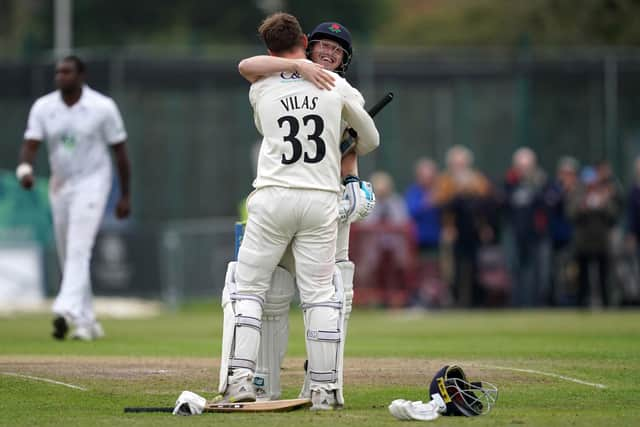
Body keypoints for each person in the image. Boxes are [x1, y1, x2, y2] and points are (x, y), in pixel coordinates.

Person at [217, 12, 379, 410]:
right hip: (320, 201)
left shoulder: (261, 86)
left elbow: (247, 69)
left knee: (248, 289)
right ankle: (324, 390)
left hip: (274, 196)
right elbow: (369, 139)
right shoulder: (339, 86)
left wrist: (351, 172)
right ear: (306, 42)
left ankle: (240, 381)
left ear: (269, 47)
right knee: (321, 296)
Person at [17, 55, 131, 340]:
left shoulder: (102, 107)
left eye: (67, 72)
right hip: (61, 185)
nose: (60, 76)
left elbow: (120, 153)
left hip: (94, 182)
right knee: (69, 253)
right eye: (58, 72)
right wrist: (25, 169)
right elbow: (31, 144)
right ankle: (87, 321)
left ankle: (64, 309)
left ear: (81, 75)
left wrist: (125, 195)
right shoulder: (44, 107)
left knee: (79, 248)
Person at [432, 145, 494, 307]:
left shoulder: (477, 179)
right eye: (456, 164)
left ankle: (473, 300)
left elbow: (486, 202)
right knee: (452, 269)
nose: (459, 167)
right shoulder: (445, 181)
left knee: (474, 266)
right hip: (452, 231)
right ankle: (454, 300)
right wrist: (457, 191)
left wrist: (483, 227)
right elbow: (439, 204)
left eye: (462, 163)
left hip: (472, 231)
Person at [568, 166, 619, 307]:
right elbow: (571, 214)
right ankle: (582, 304)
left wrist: (604, 203)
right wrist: (582, 206)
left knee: (603, 276)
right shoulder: (577, 194)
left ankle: (606, 304)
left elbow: (613, 215)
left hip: (601, 241)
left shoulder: (604, 192)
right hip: (583, 242)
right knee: (582, 277)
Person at [503, 147, 549, 307]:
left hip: (536, 234)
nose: (523, 170)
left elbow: (547, 205)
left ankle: (535, 303)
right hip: (515, 233)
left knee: (538, 273)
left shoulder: (541, 181)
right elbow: (502, 203)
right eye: (521, 166)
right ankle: (517, 303)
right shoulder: (509, 182)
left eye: (527, 166)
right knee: (515, 271)